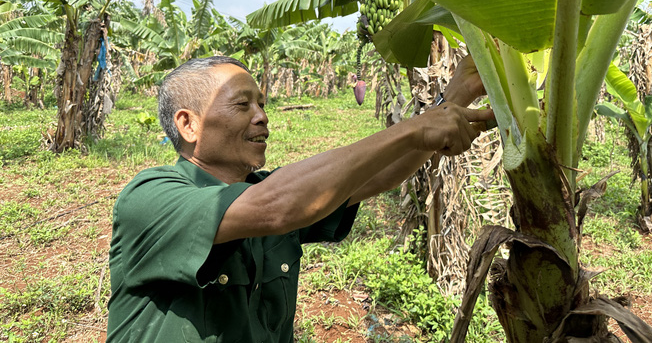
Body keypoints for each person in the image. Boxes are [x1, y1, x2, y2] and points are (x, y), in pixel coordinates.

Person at [106, 55, 494, 342]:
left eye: (261, 103)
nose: (261, 116)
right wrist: (415, 128)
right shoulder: (151, 198)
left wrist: (454, 99)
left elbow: (375, 176)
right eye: (243, 105)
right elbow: (279, 206)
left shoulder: (263, 190)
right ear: (188, 124)